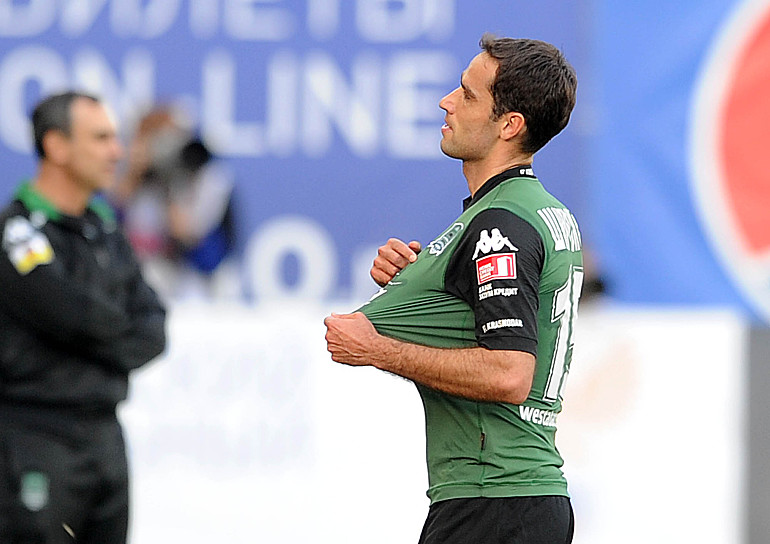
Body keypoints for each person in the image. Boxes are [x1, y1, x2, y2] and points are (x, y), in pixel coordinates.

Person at [324, 34, 581, 544]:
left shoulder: (500, 224)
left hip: (494, 500)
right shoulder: (536, 210)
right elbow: (486, 314)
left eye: (467, 94)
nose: (446, 101)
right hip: (513, 499)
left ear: (509, 125)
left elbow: (509, 372)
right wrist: (419, 282)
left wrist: (378, 349)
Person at [0, 92, 167, 543]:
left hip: (106, 438)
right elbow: (70, 314)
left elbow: (153, 328)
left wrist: (91, 332)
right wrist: (109, 329)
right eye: (101, 138)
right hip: (34, 438)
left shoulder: (105, 229)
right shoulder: (16, 232)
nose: (117, 151)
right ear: (56, 146)